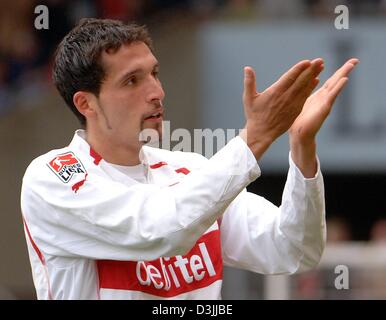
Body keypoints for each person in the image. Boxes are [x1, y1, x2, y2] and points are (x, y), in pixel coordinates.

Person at [20, 18, 358, 300]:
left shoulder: (191, 171)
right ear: (86, 104)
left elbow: (295, 250)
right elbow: (161, 230)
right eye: (132, 81)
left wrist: (302, 149)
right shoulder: (52, 179)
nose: (156, 91)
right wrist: (255, 138)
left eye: (155, 73)